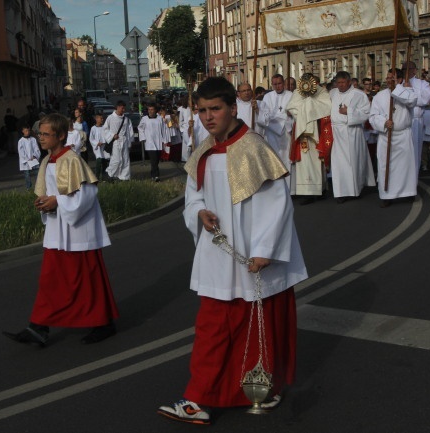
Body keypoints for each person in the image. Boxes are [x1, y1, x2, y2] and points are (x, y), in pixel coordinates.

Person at [157, 76, 307, 425]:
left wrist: (264, 250)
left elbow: (277, 205)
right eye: (202, 111)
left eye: (215, 109)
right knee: (213, 326)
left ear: (232, 108)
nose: (208, 117)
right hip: (218, 253)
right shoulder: (205, 150)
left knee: (259, 326)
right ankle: (201, 397)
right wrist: (198, 212)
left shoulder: (254, 147)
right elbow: (193, 194)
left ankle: (259, 387)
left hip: (253, 256)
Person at [3, 113, 119, 347]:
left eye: (46, 134)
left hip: (78, 231)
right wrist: (44, 203)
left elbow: (88, 193)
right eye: (40, 134)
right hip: (57, 230)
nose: (41, 138)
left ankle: (103, 323)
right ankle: (38, 326)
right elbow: (51, 192)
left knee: (87, 280)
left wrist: (58, 202)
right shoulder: (47, 161)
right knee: (50, 280)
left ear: (61, 136)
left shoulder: (71, 159)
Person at [369, 68, 417, 208]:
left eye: (392, 78)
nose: (388, 80)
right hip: (386, 135)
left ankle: (407, 192)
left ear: (400, 80)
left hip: (403, 135)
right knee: (385, 166)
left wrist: (397, 89)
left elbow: (412, 101)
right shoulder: (379, 96)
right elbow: (373, 116)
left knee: (405, 166)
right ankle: (387, 194)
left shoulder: (407, 92)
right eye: (388, 77)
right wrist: (383, 122)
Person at [329, 71, 375, 203]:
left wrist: (348, 111)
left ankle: (355, 189)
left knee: (352, 163)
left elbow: (366, 113)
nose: (341, 85)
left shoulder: (359, 94)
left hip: (351, 131)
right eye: (338, 83)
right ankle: (340, 192)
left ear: (349, 82)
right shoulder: (332, 93)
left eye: (343, 82)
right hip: (336, 132)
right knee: (338, 164)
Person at [286, 73, 333, 205]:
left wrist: (309, 104)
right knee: (304, 164)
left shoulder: (322, 92)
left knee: (317, 161)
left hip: (317, 133)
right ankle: (306, 191)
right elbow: (291, 107)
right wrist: (305, 110)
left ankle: (320, 189)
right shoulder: (297, 92)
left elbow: (326, 107)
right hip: (302, 133)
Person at [257, 74, 294, 183]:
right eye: (275, 84)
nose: (277, 86)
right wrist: (281, 117)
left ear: (283, 83)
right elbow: (265, 116)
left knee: (287, 158)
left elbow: (294, 112)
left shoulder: (291, 95)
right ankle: (277, 185)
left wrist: (289, 114)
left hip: (286, 132)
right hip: (272, 134)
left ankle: (289, 186)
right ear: (272, 85)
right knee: (275, 158)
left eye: (279, 83)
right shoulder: (268, 97)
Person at [401, 61, 430, 175]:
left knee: (415, 149)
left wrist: (410, 93)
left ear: (415, 70)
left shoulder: (422, 84)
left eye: (409, 69)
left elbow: (426, 99)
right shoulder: (399, 83)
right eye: (404, 69)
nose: (406, 72)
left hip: (415, 120)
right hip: (401, 121)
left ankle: (414, 174)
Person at [139, 103, 170, 182]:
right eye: (149, 109)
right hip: (149, 143)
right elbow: (140, 128)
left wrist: (165, 140)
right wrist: (143, 138)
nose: (150, 111)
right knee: (153, 160)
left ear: (155, 110)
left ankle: (153, 174)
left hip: (158, 142)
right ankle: (155, 176)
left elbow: (163, 129)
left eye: (152, 109)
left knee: (156, 160)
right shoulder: (144, 119)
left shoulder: (160, 119)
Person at [104, 101, 133, 181]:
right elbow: (105, 129)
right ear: (117, 107)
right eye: (122, 108)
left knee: (125, 159)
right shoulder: (110, 118)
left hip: (124, 142)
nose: (123, 110)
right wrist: (113, 135)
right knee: (116, 160)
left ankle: (124, 177)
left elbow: (129, 132)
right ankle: (110, 173)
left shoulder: (126, 119)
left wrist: (129, 143)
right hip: (115, 142)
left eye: (124, 108)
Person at [18, 125, 41, 189]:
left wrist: (34, 155)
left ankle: (38, 186)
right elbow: (21, 152)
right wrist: (27, 158)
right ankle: (28, 186)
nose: (27, 132)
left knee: (37, 173)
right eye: (26, 131)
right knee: (27, 175)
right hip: (26, 161)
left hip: (33, 159)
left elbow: (36, 148)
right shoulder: (21, 141)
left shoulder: (33, 139)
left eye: (28, 130)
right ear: (23, 131)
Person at [89, 114, 110, 180]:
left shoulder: (104, 127)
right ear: (96, 119)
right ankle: (96, 177)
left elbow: (107, 136)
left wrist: (106, 142)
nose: (102, 120)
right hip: (97, 148)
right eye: (101, 118)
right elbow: (91, 138)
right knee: (99, 160)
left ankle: (104, 177)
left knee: (104, 162)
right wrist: (97, 143)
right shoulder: (93, 128)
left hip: (104, 147)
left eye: (102, 118)